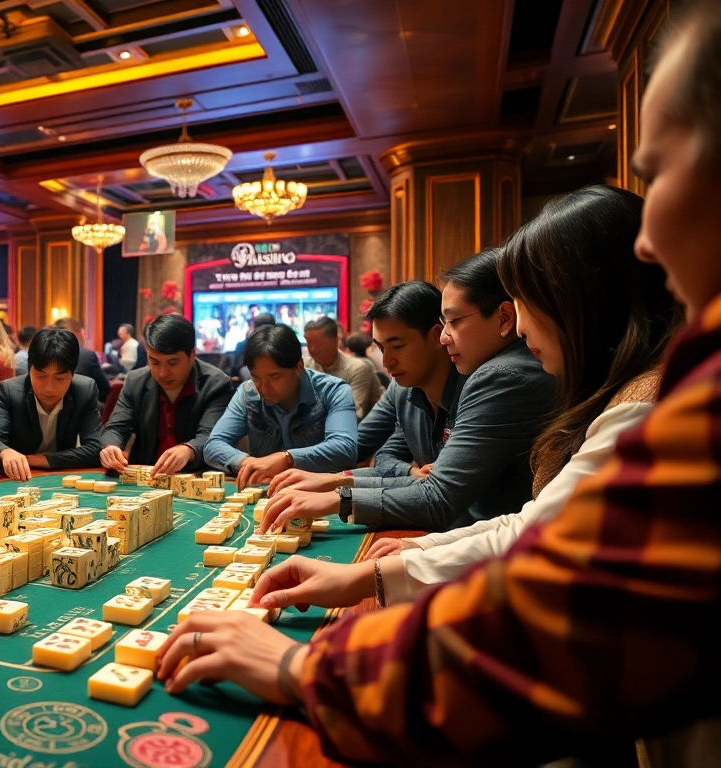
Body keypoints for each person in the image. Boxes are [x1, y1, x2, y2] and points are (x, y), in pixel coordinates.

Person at [156, 6, 721, 762]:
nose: (650, 238)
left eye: (660, 174)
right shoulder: (656, 382)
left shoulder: (631, 395)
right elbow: (530, 533)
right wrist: (371, 575)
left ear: (583, 301)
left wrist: (303, 665)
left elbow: (547, 611)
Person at [256, 184, 681, 611]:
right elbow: (531, 519)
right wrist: (416, 552)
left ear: (586, 300)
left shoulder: (621, 398)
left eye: (530, 300)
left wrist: (369, 569)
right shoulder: (411, 390)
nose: (519, 327)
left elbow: (527, 534)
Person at [265, 251, 558, 533]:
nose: (445, 336)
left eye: (453, 322)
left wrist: (336, 493)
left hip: (491, 550)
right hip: (460, 539)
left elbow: (438, 497)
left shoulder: (497, 377)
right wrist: (340, 482)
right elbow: (385, 457)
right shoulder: (406, 389)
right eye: (381, 349)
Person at [204, 324, 358, 489]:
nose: (263, 388)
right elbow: (214, 444)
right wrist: (248, 463)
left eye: (274, 377)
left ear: (298, 367)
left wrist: (286, 459)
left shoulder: (333, 391)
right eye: (256, 378)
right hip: (264, 494)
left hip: (318, 495)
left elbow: (344, 448)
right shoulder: (247, 393)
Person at [99, 314, 235, 475]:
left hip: (196, 476)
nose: (162, 373)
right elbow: (116, 427)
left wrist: (189, 449)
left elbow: (211, 436)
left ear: (192, 354)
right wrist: (110, 447)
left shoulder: (216, 384)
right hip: (146, 475)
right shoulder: (135, 381)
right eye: (154, 362)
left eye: (172, 363)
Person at [0, 328, 104, 480]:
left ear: (72, 374)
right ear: (29, 369)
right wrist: (6, 452)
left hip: (61, 476)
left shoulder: (84, 390)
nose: (49, 388)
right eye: (40, 376)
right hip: (19, 478)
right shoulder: (10, 391)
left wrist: (33, 459)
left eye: (59, 379)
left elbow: (95, 448)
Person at [303, 316, 382, 419]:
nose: (312, 349)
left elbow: (352, 416)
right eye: (309, 343)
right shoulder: (305, 367)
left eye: (318, 344)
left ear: (335, 342)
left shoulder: (357, 368)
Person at [53, 316, 110, 401]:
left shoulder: (45, 352)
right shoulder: (87, 355)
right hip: (80, 408)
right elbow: (105, 387)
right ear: (79, 333)